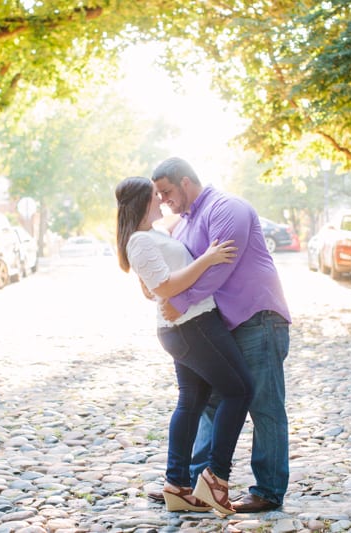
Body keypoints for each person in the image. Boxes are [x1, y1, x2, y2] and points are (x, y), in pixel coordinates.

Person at [150, 157, 291, 513]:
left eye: (166, 192)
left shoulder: (227, 208)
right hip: (220, 326)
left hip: (258, 318)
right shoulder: (182, 225)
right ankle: (197, 485)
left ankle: (269, 490)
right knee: (210, 405)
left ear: (185, 181)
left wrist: (180, 302)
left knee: (264, 406)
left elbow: (221, 267)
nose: (164, 201)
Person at [115, 176, 254, 516]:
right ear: (141, 202)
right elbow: (163, 287)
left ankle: (177, 486)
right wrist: (207, 258)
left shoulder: (151, 236)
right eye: (154, 196)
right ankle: (215, 477)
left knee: (191, 403)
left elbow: (152, 289)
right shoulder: (139, 241)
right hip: (191, 327)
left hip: (186, 326)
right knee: (240, 391)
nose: (161, 201)